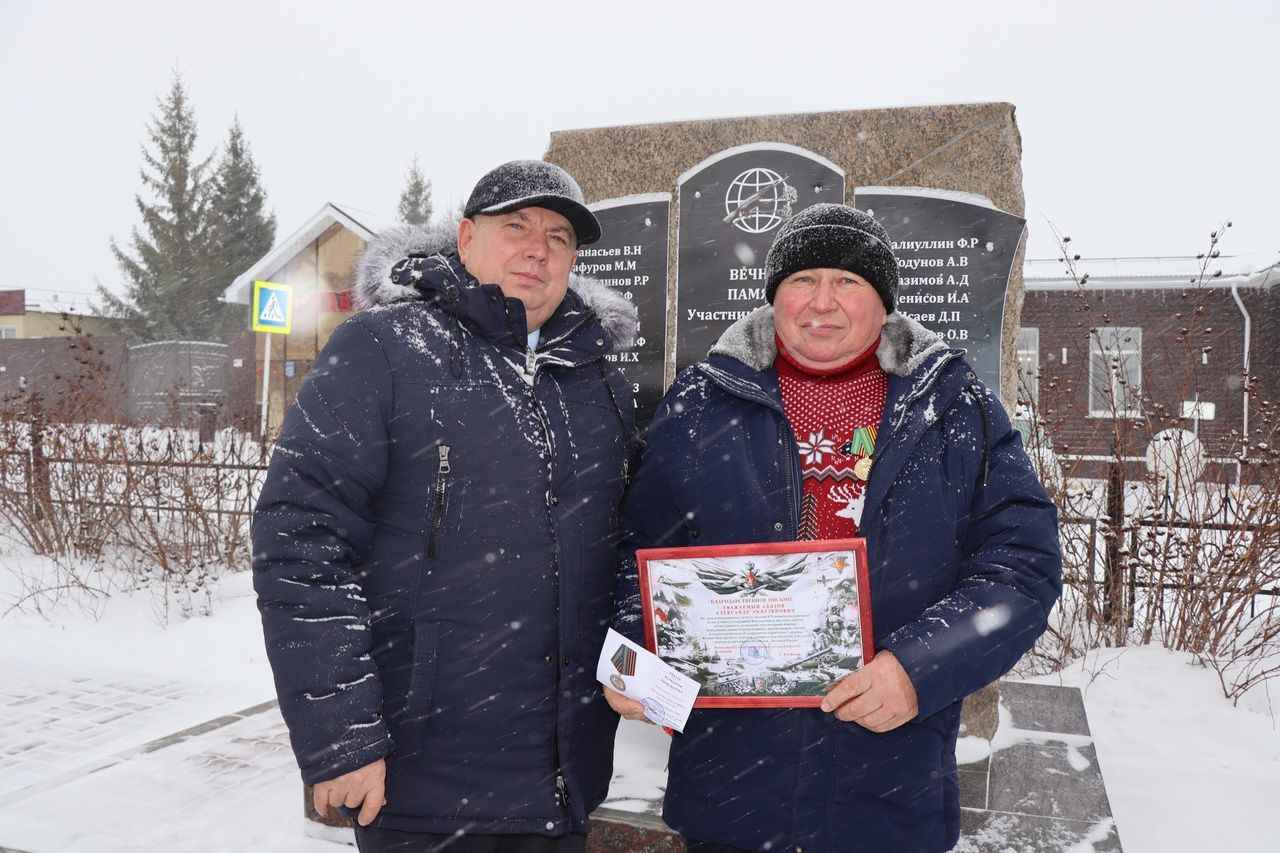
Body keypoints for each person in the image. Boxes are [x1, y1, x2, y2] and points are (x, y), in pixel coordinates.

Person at [606, 203, 1062, 852]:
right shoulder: (701, 403)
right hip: (731, 792)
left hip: (886, 791)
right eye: (802, 280)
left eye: (847, 281)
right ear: (773, 298)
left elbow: (1022, 564)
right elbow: (635, 551)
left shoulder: (952, 406)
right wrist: (631, 649)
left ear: (884, 304)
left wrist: (918, 669)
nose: (822, 301)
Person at [253, 160, 640, 853]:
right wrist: (341, 734)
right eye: (515, 226)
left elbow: (626, 546)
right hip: (419, 781)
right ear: (465, 239)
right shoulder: (383, 350)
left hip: (560, 783)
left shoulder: (598, 383)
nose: (537, 248)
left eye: (558, 236)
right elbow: (301, 542)